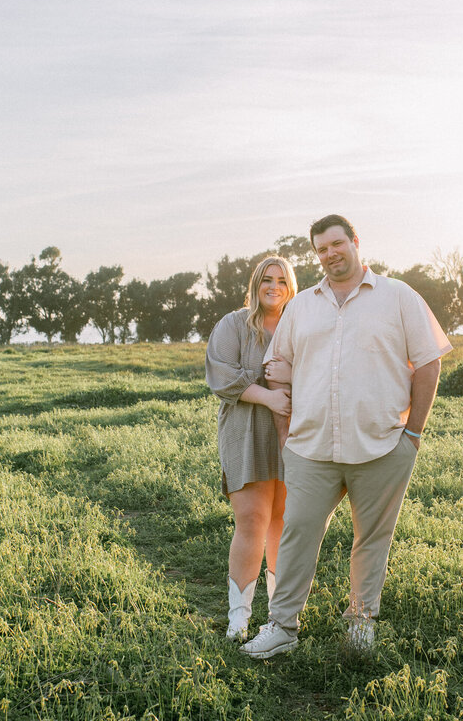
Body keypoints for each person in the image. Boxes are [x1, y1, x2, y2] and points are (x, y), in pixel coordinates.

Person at [240, 214, 452, 659]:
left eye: (337, 244)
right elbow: (279, 373)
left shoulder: (398, 297)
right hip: (311, 448)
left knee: (372, 537)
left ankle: (360, 624)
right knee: (298, 531)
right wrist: (286, 437)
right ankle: (281, 626)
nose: (330, 254)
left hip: (382, 446)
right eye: (321, 249)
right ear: (316, 253)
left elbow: (429, 363)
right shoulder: (302, 307)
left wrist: (413, 433)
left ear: (355, 242)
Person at [205, 255, 298, 641]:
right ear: (256, 284)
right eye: (266, 279)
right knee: (252, 521)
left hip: (294, 431)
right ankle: (238, 619)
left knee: (285, 522)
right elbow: (222, 376)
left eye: (281, 280)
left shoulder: (301, 326)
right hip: (245, 430)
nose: (273, 286)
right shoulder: (234, 324)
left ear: (290, 286)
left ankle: (279, 618)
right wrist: (268, 398)